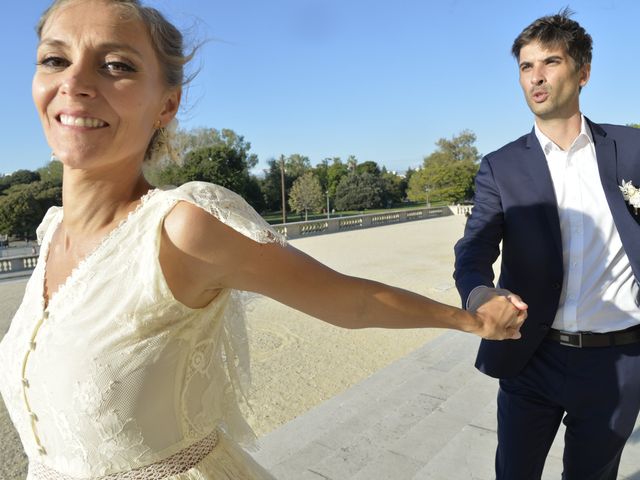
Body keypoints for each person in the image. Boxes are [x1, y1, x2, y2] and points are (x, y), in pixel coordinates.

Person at [0, 1, 526, 479]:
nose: (74, 83)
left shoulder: (182, 226)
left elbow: (349, 300)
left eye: (117, 65)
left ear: (166, 104)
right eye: (53, 60)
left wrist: (474, 321)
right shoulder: (50, 232)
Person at [454, 8, 640, 480]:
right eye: (525, 67)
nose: (535, 77)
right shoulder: (500, 167)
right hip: (531, 357)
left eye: (550, 62)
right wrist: (481, 293)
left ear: (583, 73)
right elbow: (473, 249)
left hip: (617, 361)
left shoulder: (633, 150)